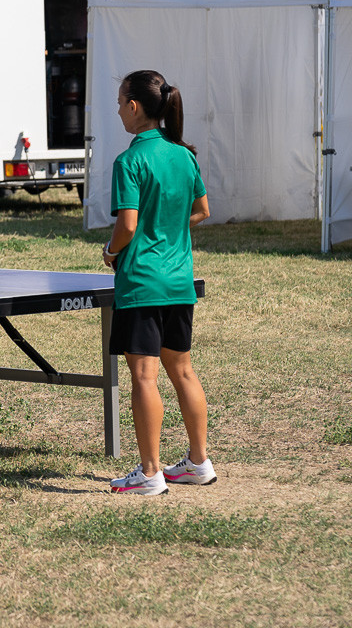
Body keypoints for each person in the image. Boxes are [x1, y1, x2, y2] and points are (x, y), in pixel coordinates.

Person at [103, 69, 214, 496]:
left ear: (134, 107)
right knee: (182, 371)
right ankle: (199, 463)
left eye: (120, 103)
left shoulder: (129, 161)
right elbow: (202, 210)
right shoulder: (184, 156)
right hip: (179, 282)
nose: (118, 110)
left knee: (144, 377)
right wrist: (167, 229)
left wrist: (111, 251)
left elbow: (127, 226)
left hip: (141, 284)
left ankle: (150, 473)